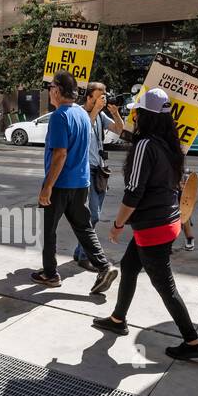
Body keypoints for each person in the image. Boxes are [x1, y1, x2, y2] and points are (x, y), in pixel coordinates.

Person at [92, 89, 198, 361]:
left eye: (137, 111)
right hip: (166, 221)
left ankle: (192, 341)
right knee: (130, 267)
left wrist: (118, 224)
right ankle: (118, 318)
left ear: (146, 115)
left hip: (153, 227)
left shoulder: (146, 146)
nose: (134, 114)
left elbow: (134, 192)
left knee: (165, 287)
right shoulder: (169, 144)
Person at [35, 70, 119, 294]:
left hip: (62, 183)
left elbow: (60, 154)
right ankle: (104, 266)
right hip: (82, 183)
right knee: (83, 227)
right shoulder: (82, 115)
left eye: (51, 87)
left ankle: (50, 274)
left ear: (57, 90)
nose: (50, 91)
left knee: (50, 230)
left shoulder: (59, 116)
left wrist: (47, 187)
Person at [72, 81, 125, 270]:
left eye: (104, 95)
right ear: (89, 97)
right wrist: (96, 110)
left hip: (100, 170)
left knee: (94, 215)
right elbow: (84, 130)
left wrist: (115, 112)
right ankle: (84, 255)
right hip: (84, 170)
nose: (102, 99)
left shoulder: (101, 114)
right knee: (92, 215)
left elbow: (119, 130)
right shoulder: (78, 113)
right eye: (99, 96)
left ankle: (80, 252)